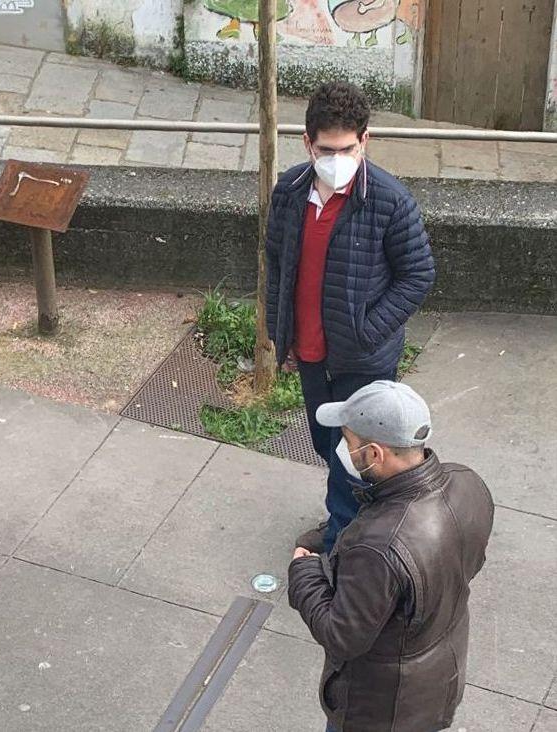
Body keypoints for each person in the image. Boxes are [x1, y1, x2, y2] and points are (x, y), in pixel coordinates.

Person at [265, 80, 435, 554]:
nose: (336, 159)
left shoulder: (390, 201)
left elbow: (418, 276)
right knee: (327, 444)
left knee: (356, 458)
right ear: (307, 143)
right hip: (312, 355)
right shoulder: (289, 192)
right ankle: (368, 523)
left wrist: (366, 332)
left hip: (363, 361)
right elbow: (277, 263)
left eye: (347, 148)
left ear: (365, 141)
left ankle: (343, 541)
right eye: (326, 149)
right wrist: (284, 336)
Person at [288, 381, 494, 732]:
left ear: (374, 454)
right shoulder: (467, 483)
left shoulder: (378, 546)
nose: (344, 449)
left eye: (349, 442)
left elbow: (341, 635)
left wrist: (304, 571)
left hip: (381, 709)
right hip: (437, 679)